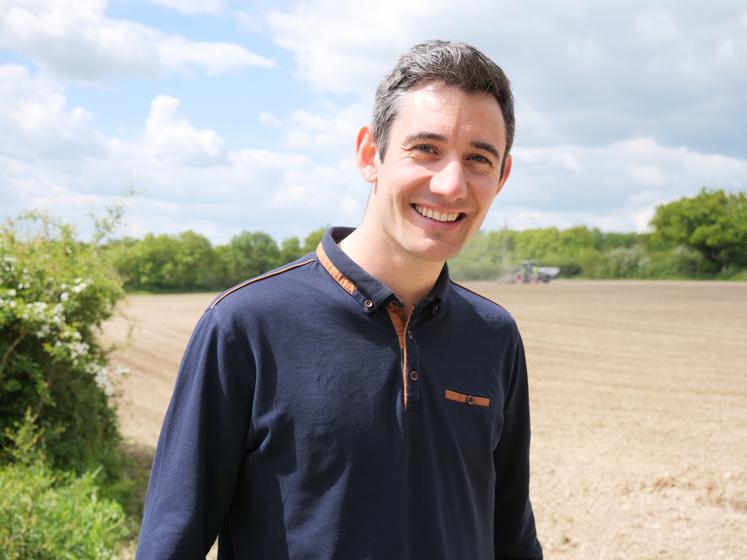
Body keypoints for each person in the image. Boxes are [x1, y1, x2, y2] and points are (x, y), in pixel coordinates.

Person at [136, 39, 542, 560]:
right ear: (371, 155)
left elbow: (511, 534)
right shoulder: (245, 326)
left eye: (478, 159)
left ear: (502, 176)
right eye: (427, 149)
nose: (450, 184)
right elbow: (171, 543)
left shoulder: (493, 336)